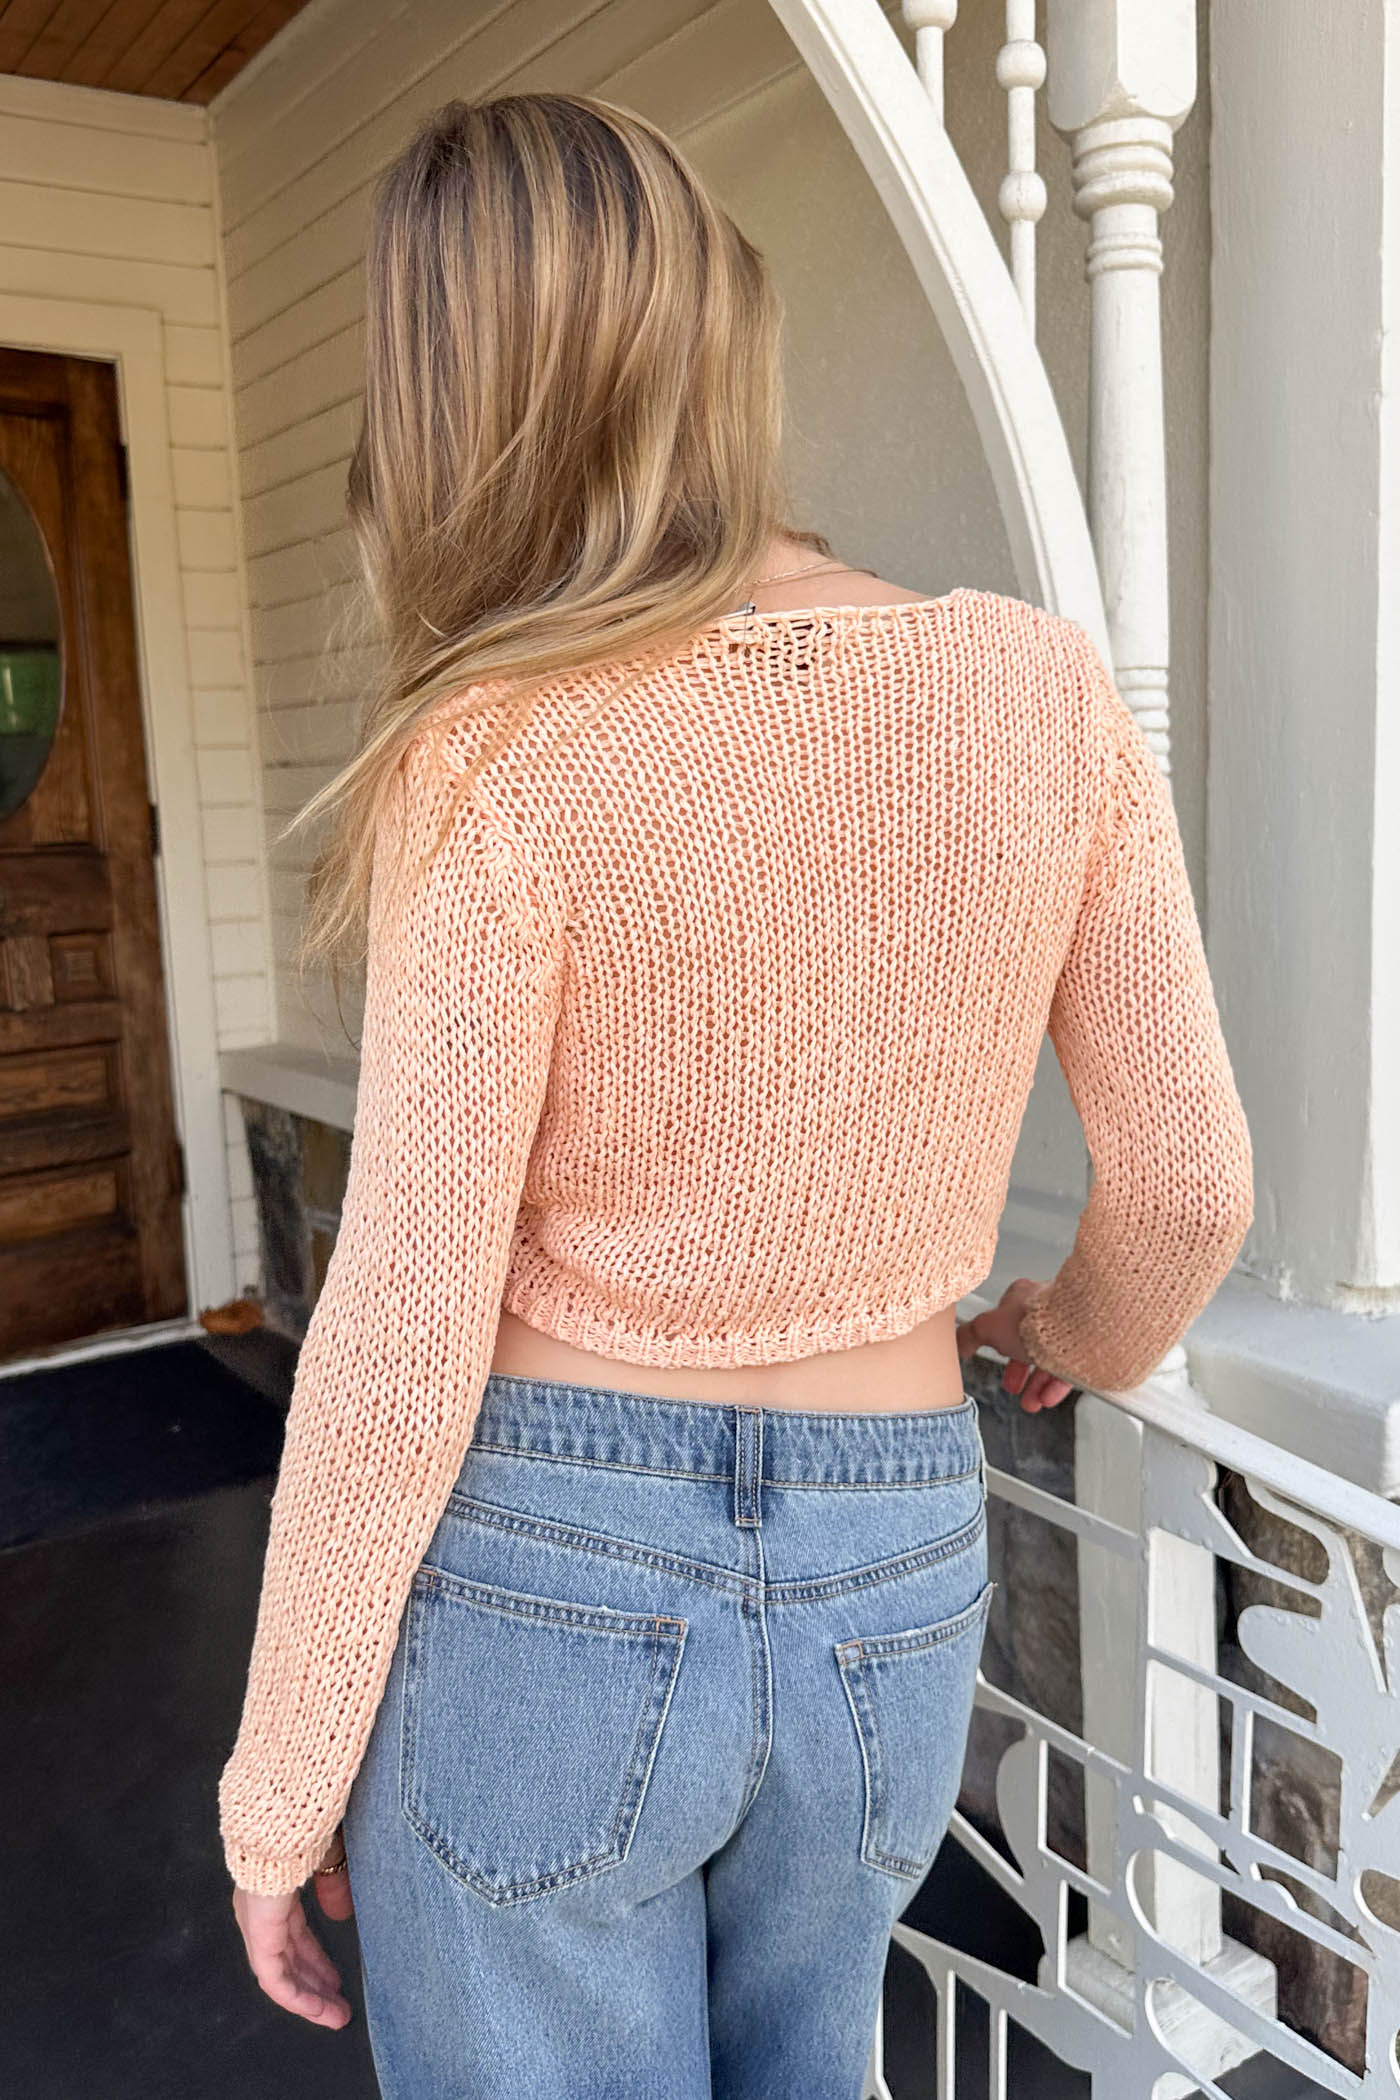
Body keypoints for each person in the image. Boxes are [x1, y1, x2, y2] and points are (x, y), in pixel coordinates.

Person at [218, 90, 1254, 2099]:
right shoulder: (1041, 692)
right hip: (894, 1557)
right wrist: (1066, 1332)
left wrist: (280, 1793)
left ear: (453, 405)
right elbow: (1190, 1181)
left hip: (547, 1563)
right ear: (720, 336)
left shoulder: (499, 744)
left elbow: (406, 1327)